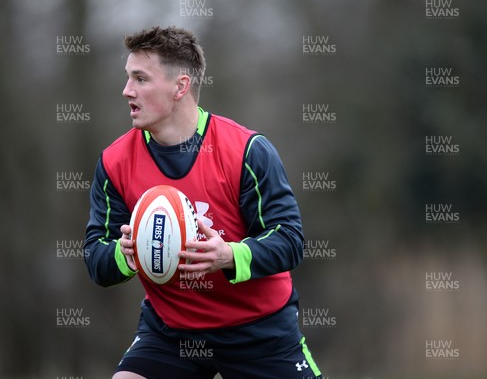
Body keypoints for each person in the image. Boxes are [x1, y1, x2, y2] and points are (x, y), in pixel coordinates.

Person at [84, 26, 323, 379]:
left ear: (180, 87)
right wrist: (126, 253)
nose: (127, 91)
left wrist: (228, 255)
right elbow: (95, 257)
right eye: (127, 77)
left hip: (258, 331)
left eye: (140, 79)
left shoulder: (247, 151)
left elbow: (290, 241)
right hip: (171, 332)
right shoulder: (115, 163)